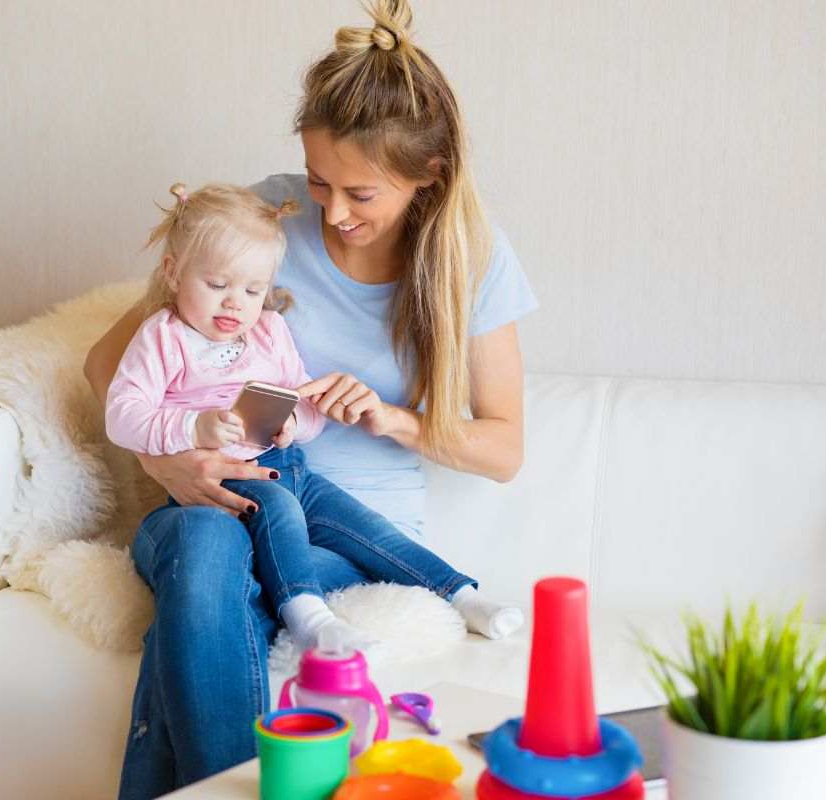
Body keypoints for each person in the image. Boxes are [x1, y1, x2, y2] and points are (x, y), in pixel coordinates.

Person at [84, 2, 537, 796]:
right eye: (319, 181)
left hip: (350, 537)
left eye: (361, 194)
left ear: (427, 175)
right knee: (205, 540)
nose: (331, 212)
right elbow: (106, 366)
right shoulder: (263, 222)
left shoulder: (472, 257)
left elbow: (503, 449)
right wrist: (172, 464)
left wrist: (394, 418)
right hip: (212, 500)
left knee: (211, 572)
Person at [104, 181, 524, 655]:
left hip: (293, 463)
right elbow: (122, 414)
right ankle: (306, 615)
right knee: (277, 511)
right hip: (237, 477)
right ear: (173, 273)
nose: (234, 303)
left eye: (253, 289)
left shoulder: (268, 329)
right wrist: (191, 428)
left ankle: (462, 594)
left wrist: (295, 422)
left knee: (365, 526)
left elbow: (301, 399)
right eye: (217, 285)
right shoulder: (163, 336)